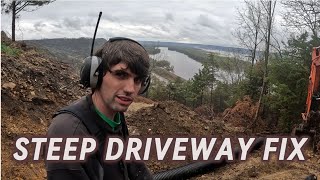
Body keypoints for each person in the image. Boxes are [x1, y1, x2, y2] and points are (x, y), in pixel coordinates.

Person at [46, 37, 153, 180]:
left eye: (137, 80)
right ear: (95, 75)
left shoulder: (115, 116)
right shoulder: (68, 133)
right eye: (120, 74)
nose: (130, 89)